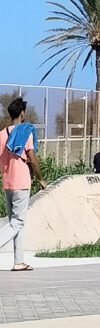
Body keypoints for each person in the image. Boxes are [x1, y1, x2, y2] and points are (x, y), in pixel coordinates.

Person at [0, 97, 46, 272]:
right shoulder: (25, 131)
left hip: (7, 182)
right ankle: (18, 260)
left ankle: (19, 261)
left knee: (15, 223)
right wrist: (40, 178)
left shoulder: (1, 134)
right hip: (21, 181)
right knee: (18, 223)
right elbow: (32, 158)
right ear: (22, 113)